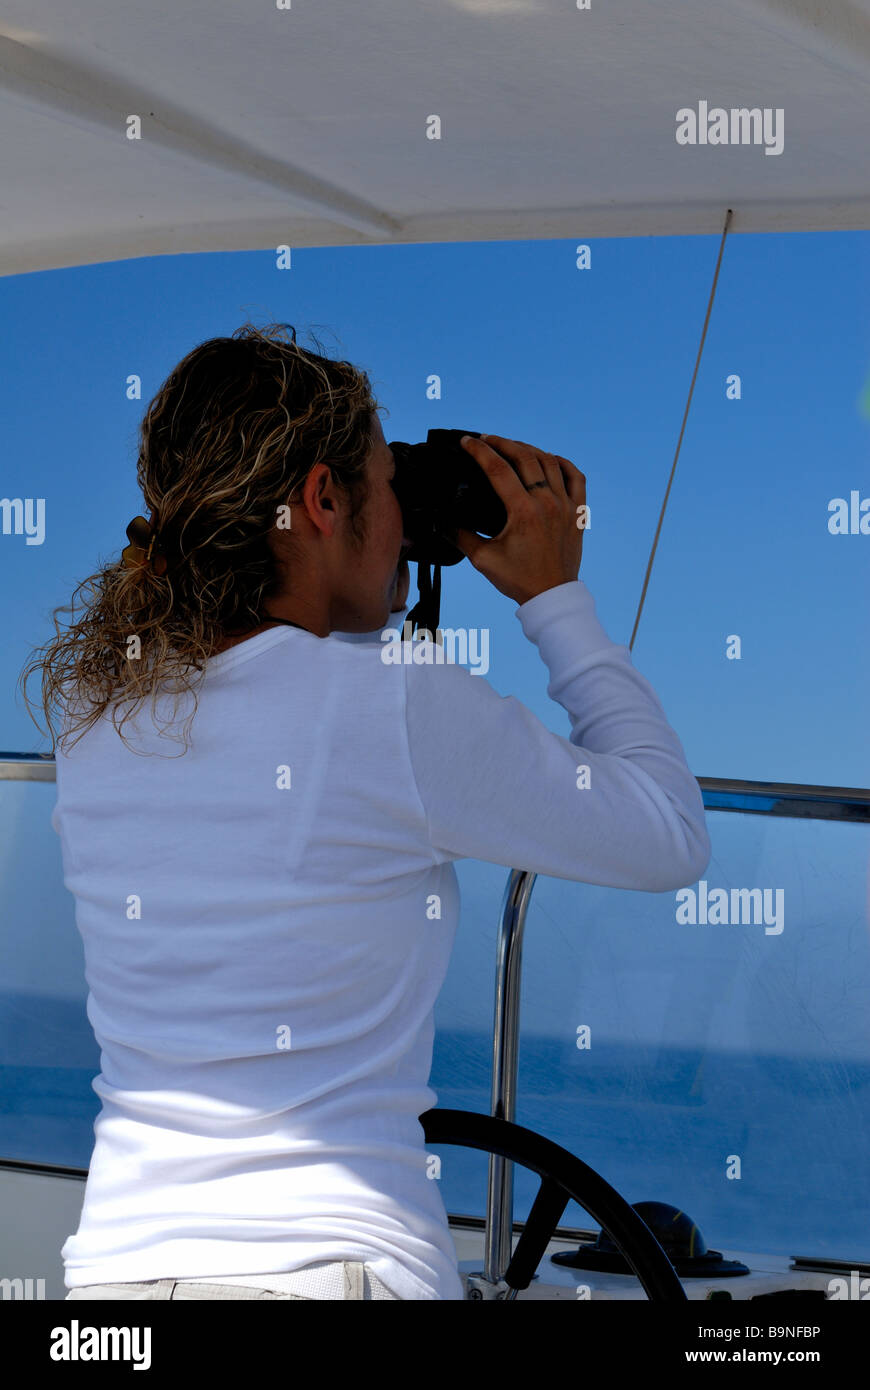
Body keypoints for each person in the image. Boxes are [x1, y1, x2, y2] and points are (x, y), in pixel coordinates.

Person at [21, 322, 711, 1301]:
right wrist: (556, 597)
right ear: (321, 498)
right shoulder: (387, 700)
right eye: (390, 488)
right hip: (334, 1274)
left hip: (117, 1286)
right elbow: (668, 832)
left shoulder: (101, 716)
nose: (402, 522)